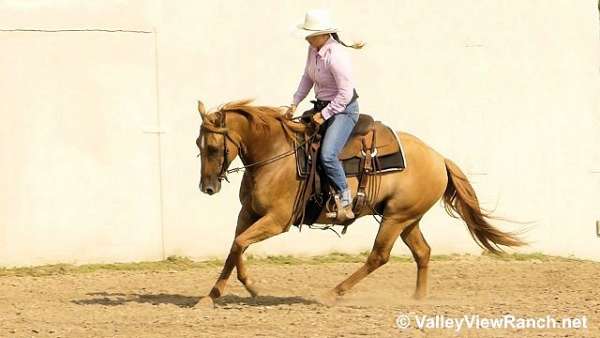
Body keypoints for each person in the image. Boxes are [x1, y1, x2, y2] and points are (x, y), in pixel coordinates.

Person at [286, 9, 364, 222]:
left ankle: (345, 199)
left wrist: (325, 113)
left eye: (311, 34)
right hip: (322, 107)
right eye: (307, 34)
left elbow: (345, 94)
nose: (308, 38)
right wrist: (294, 103)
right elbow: (307, 77)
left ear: (323, 34)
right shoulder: (314, 50)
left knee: (328, 154)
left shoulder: (336, 55)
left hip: (344, 109)